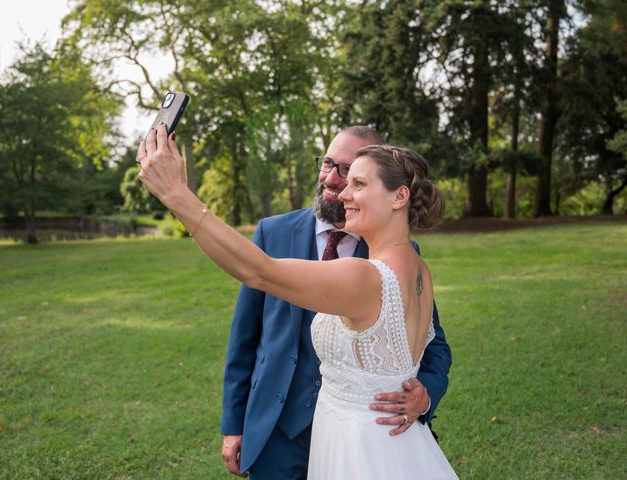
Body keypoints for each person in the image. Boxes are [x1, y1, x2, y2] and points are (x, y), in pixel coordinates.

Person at [136, 124, 456, 479]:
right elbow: (247, 334)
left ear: (399, 197)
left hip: (357, 450)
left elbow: (259, 271)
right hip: (379, 443)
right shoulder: (417, 270)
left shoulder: (365, 276)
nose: (342, 192)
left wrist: (175, 193)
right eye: (334, 171)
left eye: (357, 182)